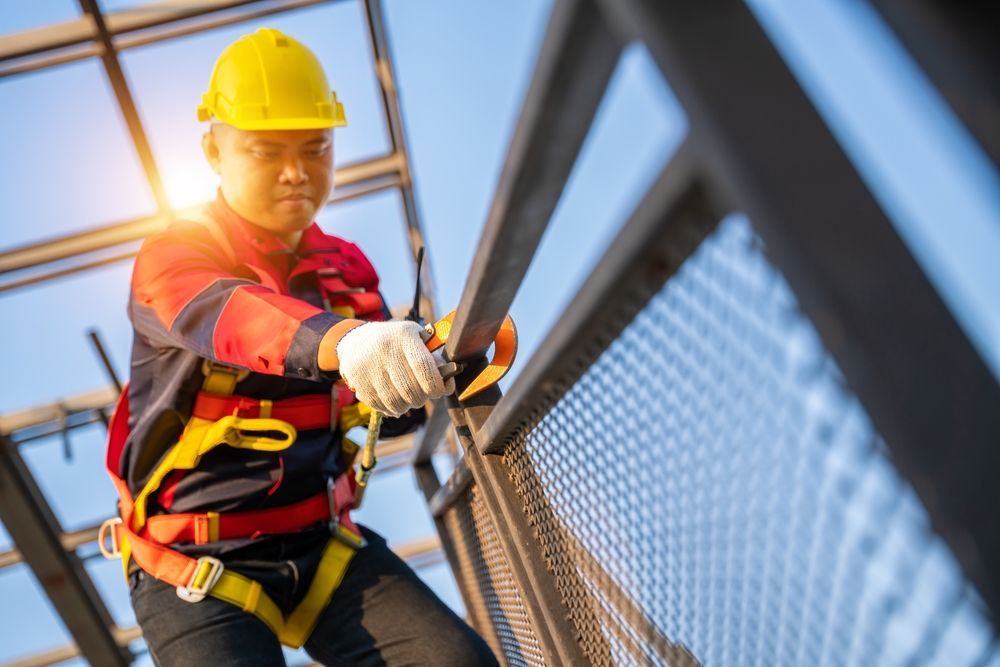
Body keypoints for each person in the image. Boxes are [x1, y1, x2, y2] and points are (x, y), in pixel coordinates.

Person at [105, 27, 498, 666]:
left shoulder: (346, 269)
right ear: (213, 149)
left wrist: (430, 363)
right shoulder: (174, 256)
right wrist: (348, 342)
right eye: (266, 151)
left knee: (455, 662)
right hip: (193, 561)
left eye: (316, 148)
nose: (296, 173)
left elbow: (393, 415)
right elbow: (233, 315)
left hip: (321, 544)